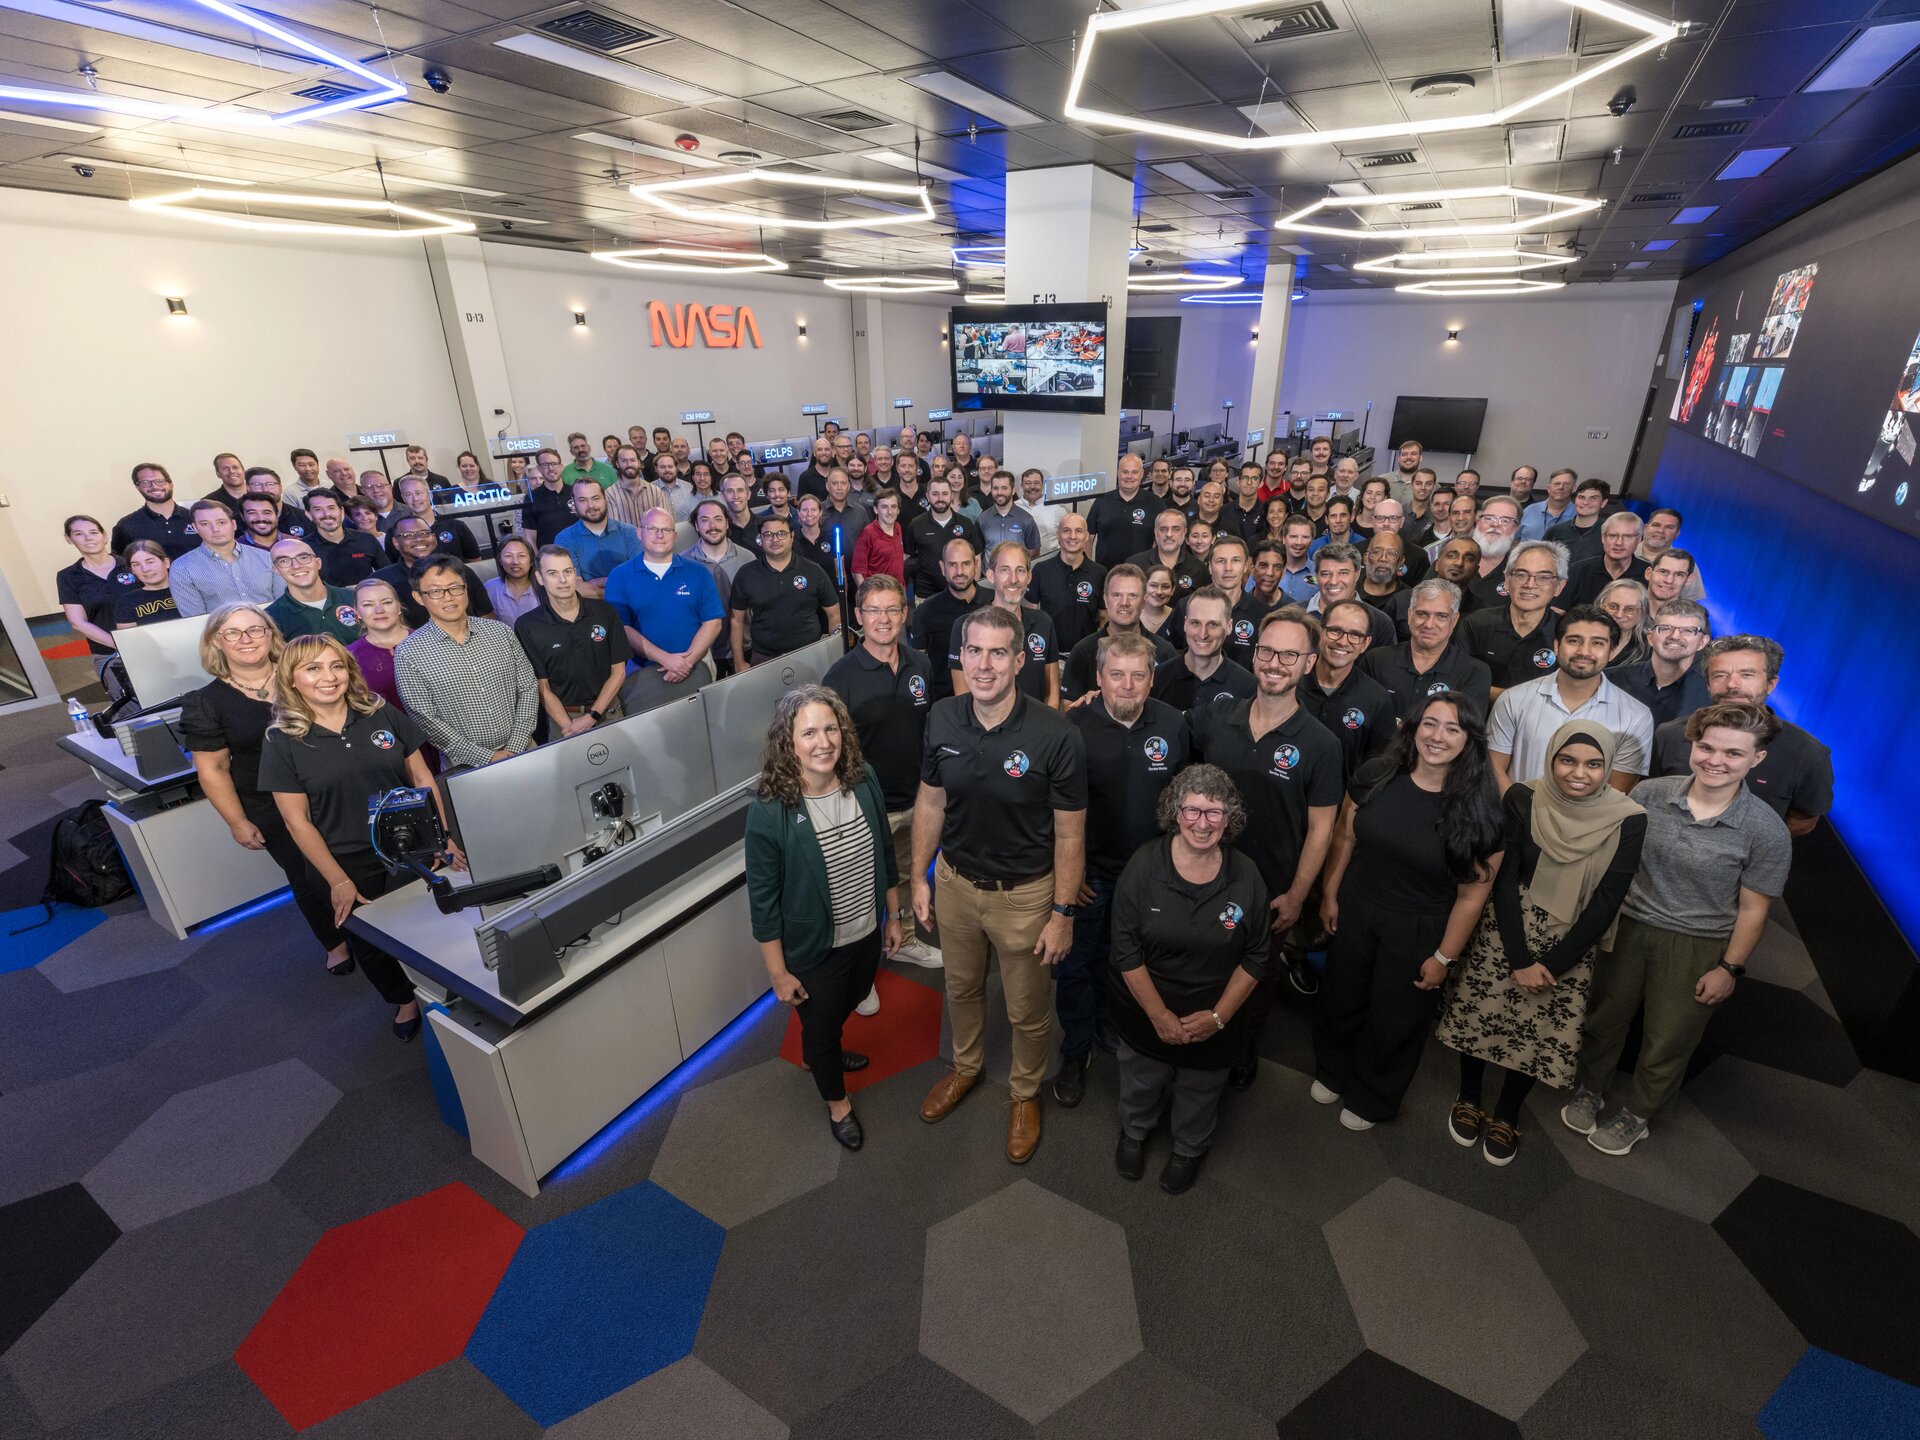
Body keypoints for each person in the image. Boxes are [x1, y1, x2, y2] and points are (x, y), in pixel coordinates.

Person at [1568, 702, 1792, 1155]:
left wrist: (1730, 968)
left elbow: (1753, 910)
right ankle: (1591, 1088)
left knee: (1669, 1037)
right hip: (1628, 926)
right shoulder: (1650, 794)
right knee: (1604, 1016)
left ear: (1757, 758)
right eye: (1706, 747)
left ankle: (1639, 1114)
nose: (1715, 760)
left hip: (1697, 943)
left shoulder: (1766, 831)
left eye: (1733, 753)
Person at [914, 605, 1087, 1163]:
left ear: (1019, 660)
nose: (983, 665)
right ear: (961, 656)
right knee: (961, 989)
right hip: (955, 883)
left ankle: (1025, 1093)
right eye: (973, 651)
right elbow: (930, 801)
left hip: (1026, 896)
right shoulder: (942, 716)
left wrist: (1062, 913)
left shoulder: (1056, 733)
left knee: (1027, 1010)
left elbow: (1070, 834)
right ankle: (965, 1068)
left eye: (996, 653)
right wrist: (919, 876)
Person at [1436, 722, 1647, 1165]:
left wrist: (1552, 964)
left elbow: (1609, 899)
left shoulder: (1629, 817)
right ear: (1552, 758)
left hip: (1571, 938)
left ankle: (1508, 1112)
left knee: (1537, 1031)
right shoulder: (1523, 797)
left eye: (1593, 764)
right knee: (1482, 1013)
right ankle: (1469, 1096)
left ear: (1608, 767)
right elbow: (1504, 874)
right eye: (1567, 760)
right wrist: (1518, 956)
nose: (1578, 773)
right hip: (1507, 924)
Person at [1313, 692, 1505, 1129]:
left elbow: (1472, 897)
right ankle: (1332, 1070)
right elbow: (1345, 834)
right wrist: (1329, 893)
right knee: (1340, 997)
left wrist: (1444, 958)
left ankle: (1372, 1096)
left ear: (1470, 739)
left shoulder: (1482, 811)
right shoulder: (1377, 774)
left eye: (1453, 728)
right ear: (1412, 728)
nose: (1438, 736)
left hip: (1420, 925)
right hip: (1357, 906)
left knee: (1394, 1018)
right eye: (1430, 724)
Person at [261, 635, 463, 1042]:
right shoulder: (281, 740)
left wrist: (441, 837)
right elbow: (297, 822)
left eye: (336, 665)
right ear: (292, 679)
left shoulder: (378, 711)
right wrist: (337, 880)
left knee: (430, 925)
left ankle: (451, 996)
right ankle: (404, 1000)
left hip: (410, 845)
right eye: (313, 668)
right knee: (371, 943)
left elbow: (422, 777)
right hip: (345, 860)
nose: (328, 676)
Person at [1188, 609, 1342, 1085]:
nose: (1275, 663)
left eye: (1289, 655)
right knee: (1198, 968)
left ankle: (1243, 1051)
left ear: (1309, 663)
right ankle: (1195, 1044)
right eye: (1267, 651)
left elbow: (1322, 830)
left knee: (1255, 978)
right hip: (1201, 877)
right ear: (1254, 655)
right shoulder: (1217, 716)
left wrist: (1297, 895)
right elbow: (1164, 730)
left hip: (1269, 891)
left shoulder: (1322, 744)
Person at [747, 685, 902, 1148]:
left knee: (845, 1003)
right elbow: (763, 902)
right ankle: (837, 1101)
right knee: (820, 1025)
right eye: (809, 732)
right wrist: (778, 974)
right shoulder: (770, 810)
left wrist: (894, 916)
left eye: (831, 729)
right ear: (788, 742)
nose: (824, 742)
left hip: (865, 931)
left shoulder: (863, 778)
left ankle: (822, 1049)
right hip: (814, 948)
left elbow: (885, 851)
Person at [1108, 763, 1269, 1192]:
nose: (1202, 823)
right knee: (1141, 1079)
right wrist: (1159, 1016)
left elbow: (1257, 956)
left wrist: (1217, 1018)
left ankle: (1189, 1148)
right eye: (1192, 810)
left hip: (1214, 1016)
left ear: (1229, 819)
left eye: (1214, 812)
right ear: (1175, 813)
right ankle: (1134, 1131)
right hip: (1146, 1010)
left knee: (1201, 1089)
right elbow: (1125, 951)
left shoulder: (1247, 876)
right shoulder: (1143, 867)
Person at [1056, 633, 1190, 1107]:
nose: (1127, 685)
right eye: (1116, 675)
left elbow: (1184, 801)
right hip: (1088, 875)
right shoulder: (1073, 727)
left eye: (1137, 675)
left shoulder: (1173, 724)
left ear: (1152, 679)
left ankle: (1111, 1025)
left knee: (1127, 961)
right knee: (1077, 964)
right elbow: (1053, 809)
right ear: (1099, 678)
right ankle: (1075, 1048)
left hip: (1149, 876)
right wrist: (1069, 875)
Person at [181, 606, 347, 975]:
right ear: (216, 641)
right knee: (306, 875)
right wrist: (237, 821)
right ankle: (335, 942)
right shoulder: (206, 702)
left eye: (255, 629)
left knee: (353, 861)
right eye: (233, 632)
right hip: (268, 803)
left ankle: (374, 932)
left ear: (271, 634)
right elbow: (212, 769)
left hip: (331, 788)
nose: (246, 639)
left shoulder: (303, 674)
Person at [825, 576, 941, 970]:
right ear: (858, 616)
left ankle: (904, 940)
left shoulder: (920, 664)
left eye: (892, 609)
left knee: (907, 875)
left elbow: (929, 728)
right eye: (873, 610)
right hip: (867, 805)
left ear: (905, 613)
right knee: (860, 888)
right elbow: (833, 751)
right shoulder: (840, 677)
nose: (884, 619)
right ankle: (857, 971)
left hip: (917, 799)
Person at [1647, 635, 1833, 834]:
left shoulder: (1807, 752)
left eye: (1747, 675)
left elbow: (1804, 820)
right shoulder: (1670, 735)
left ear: (1771, 684)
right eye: (1720, 675)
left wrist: (1744, 843)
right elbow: (1653, 798)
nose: (1732, 685)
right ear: (1708, 684)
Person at [394, 556, 539, 769]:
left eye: (455, 588)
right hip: (464, 764)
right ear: (418, 597)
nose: (448, 598)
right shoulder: (409, 652)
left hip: (524, 749)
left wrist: (515, 745)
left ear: (466, 589)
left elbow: (527, 687)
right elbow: (425, 718)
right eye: (435, 591)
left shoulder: (500, 632)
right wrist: (487, 757)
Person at [1489, 606, 1654, 793]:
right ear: (1556, 646)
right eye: (1574, 641)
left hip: (1594, 814)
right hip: (1517, 810)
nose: (1584, 651)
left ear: (1611, 652)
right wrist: (1518, 809)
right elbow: (1495, 769)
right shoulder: (1513, 699)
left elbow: (1617, 793)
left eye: (1597, 643)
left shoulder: (1636, 716)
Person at [605, 507, 724, 710]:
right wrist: (666, 659)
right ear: (639, 532)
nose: (659, 535)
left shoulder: (698, 573)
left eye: (666, 530)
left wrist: (686, 663)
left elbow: (713, 622)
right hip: (643, 673)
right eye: (652, 529)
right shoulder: (619, 576)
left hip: (697, 666)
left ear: (675, 536)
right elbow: (621, 628)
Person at [516, 545, 630, 737]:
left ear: (575, 574)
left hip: (608, 712)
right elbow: (541, 686)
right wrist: (569, 727)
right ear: (539, 578)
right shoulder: (527, 625)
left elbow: (618, 671)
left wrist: (592, 716)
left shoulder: (605, 612)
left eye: (567, 571)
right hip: (563, 721)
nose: (562, 580)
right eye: (553, 573)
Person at [1358, 577, 1493, 722]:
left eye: (1441, 616)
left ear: (1454, 620)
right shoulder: (1375, 660)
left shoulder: (1474, 672)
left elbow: (1466, 729)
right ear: (1409, 615)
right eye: (1422, 614)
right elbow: (1360, 717)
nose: (1429, 624)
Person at [345, 576, 437, 774]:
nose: (379, 610)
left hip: (440, 741)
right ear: (357, 612)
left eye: (386, 602)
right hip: (390, 748)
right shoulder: (348, 657)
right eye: (368, 605)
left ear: (399, 606)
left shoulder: (431, 642)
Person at [952, 542, 1059, 707]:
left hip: (1036, 722)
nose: (1013, 579)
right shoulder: (966, 626)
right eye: (1005, 570)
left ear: (1029, 577)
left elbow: (1052, 693)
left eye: (1020, 570)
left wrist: (1046, 723)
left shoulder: (1044, 623)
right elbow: (963, 697)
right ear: (990, 575)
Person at [728, 512, 839, 668]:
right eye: (768, 535)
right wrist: (738, 662)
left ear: (792, 537)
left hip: (811, 653)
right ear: (760, 540)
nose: (775, 539)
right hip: (764, 657)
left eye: (781, 534)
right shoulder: (746, 574)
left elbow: (834, 614)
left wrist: (834, 652)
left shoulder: (813, 570)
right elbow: (736, 620)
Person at [1461, 539, 1566, 696]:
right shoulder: (1476, 624)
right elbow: (1462, 682)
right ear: (1507, 580)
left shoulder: (1567, 632)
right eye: (1521, 575)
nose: (1530, 584)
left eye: (1543, 577)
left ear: (1558, 586)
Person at [1063, 564, 1176, 703]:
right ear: (1105, 599)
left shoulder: (1165, 652)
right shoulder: (1083, 651)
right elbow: (1068, 707)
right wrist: (1095, 704)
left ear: (1144, 601)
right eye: (1117, 595)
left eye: (1132, 595)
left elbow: (1173, 708)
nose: (1124, 602)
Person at [373, 516, 493, 629]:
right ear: (395, 542)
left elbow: (486, 614)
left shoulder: (461, 570)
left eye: (424, 533)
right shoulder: (382, 581)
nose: (419, 539)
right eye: (408, 535)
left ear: (434, 538)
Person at [169, 499, 285, 617]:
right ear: (195, 528)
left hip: (271, 625)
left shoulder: (267, 558)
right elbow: (194, 619)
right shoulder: (182, 568)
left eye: (222, 522)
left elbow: (283, 604)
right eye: (204, 524)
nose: (215, 529)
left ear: (233, 524)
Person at [1608, 599, 1711, 727]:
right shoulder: (1610, 680)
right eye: (1665, 628)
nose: (1675, 636)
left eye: (1689, 630)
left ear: (1702, 642)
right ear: (1650, 637)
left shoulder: (1711, 693)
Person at [1153, 585, 1255, 713]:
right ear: (1185, 624)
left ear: (1229, 627)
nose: (1202, 634)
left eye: (1213, 624)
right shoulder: (1157, 678)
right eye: (1195, 623)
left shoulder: (1247, 686)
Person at [907, 536, 980, 702]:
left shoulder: (994, 603)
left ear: (976, 565)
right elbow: (917, 666)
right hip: (943, 704)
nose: (959, 571)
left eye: (966, 564)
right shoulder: (925, 611)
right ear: (942, 567)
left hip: (992, 702)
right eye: (952, 564)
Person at [1030, 512, 1107, 655]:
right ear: (1058, 535)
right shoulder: (1041, 570)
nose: (1072, 536)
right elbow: (1031, 617)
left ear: (1086, 536)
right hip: (1050, 656)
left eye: (1079, 531)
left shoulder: (1100, 573)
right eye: (1066, 530)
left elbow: (1104, 617)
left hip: (1087, 657)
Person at [553, 477, 642, 599]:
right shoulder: (564, 539)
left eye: (595, 498)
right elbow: (575, 587)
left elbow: (640, 579)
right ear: (573, 503)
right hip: (589, 608)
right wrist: (621, 585)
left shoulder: (630, 533)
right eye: (582, 500)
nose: (591, 505)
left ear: (605, 498)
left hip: (631, 605)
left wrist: (593, 583)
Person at [56, 514, 130, 657]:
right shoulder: (67, 576)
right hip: (108, 651)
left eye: (93, 532)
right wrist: (120, 646)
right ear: (69, 539)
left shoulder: (131, 565)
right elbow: (78, 622)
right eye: (79, 534)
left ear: (105, 536)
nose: (88, 538)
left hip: (148, 641)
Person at [264, 539, 361, 643]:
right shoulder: (270, 619)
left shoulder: (355, 598)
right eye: (284, 561)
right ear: (276, 570)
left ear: (318, 563)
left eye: (303, 557)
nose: (296, 566)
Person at [905, 477, 983, 600]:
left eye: (945, 494)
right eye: (935, 494)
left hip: (961, 593)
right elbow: (906, 557)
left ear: (951, 495)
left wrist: (973, 588)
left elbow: (976, 556)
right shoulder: (916, 524)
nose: (940, 498)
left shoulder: (966, 523)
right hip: (926, 595)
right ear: (928, 496)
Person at [1306, 543, 1395, 649]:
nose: (1333, 581)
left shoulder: (1381, 623)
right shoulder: (1294, 615)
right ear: (1317, 576)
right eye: (1325, 574)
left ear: (1357, 575)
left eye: (1343, 573)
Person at [1558, 512, 1647, 611]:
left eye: (1627, 537)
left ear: (1639, 539)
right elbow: (1557, 611)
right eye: (1613, 536)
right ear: (1603, 537)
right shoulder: (1578, 570)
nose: (1619, 542)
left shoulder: (1650, 575)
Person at [1087, 454, 1163, 566]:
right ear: (1118, 472)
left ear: (1142, 473)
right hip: (1106, 572)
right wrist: (1088, 568)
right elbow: (1088, 538)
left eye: (1134, 472)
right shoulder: (1101, 502)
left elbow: (1161, 541)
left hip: (1142, 572)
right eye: (1125, 472)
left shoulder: (1156, 503)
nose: (1129, 476)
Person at [113, 462, 200, 557]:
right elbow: (121, 562)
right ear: (138, 488)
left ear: (171, 484)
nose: (154, 486)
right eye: (145, 483)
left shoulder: (195, 518)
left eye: (160, 481)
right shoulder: (126, 526)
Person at [386, 476, 480, 565]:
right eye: (408, 494)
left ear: (430, 494)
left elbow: (475, 562)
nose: (415, 499)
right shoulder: (395, 534)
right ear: (403, 498)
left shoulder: (456, 526)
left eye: (418, 493)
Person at [304, 489, 383, 586]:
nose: (327, 514)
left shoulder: (366, 540)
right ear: (309, 515)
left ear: (341, 511)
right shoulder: (304, 548)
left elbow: (387, 574)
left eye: (331, 508)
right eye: (318, 509)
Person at [1129, 508, 1205, 598]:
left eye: (1176, 529)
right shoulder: (1135, 565)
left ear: (1184, 532)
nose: (1169, 534)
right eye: (1163, 529)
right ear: (1155, 532)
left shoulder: (1199, 569)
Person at [111, 541, 178, 628]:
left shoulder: (188, 590)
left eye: (150, 562)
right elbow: (128, 635)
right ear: (132, 570)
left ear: (166, 562)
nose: (145, 569)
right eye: (136, 565)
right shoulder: (126, 602)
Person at [604, 445, 669, 532]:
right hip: (626, 541)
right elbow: (614, 530)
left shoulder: (656, 492)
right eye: (624, 461)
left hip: (653, 539)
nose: (629, 464)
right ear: (617, 464)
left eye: (633, 460)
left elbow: (665, 524)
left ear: (639, 462)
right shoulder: (610, 494)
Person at [851, 488, 907, 589]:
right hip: (877, 594)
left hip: (898, 592)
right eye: (884, 507)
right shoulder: (867, 534)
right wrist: (866, 595)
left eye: (893, 506)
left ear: (898, 510)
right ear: (876, 509)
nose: (890, 512)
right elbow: (857, 571)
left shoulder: (898, 527)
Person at [1545, 478, 1610, 564]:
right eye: (1581, 497)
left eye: (1593, 498)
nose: (1586, 502)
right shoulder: (1555, 531)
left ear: (1603, 503)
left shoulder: (1610, 534)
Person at [977, 468, 1039, 554]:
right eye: (995, 488)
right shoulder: (982, 519)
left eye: (1004, 488)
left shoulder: (1027, 519)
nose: (999, 492)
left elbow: (1034, 553)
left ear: (1013, 491)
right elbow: (977, 553)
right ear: (991, 490)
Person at [484, 536, 542, 627]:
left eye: (521, 556)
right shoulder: (490, 587)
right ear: (500, 561)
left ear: (531, 561)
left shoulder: (544, 586)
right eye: (508, 556)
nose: (515, 562)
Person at [520, 448, 574, 547]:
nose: (551, 468)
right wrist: (538, 557)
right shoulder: (531, 498)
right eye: (545, 465)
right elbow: (530, 538)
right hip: (549, 555)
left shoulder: (575, 492)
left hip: (580, 553)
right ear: (539, 468)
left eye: (554, 463)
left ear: (561, 467)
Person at [1592, 580, 1650, 666]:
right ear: (1601, 605)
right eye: (1613, 606)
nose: (1619, 615)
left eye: (1630, 609)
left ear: (1642, 612)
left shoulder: (1648, 651)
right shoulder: (1581, 636)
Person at [1520, 468, 1577, 540]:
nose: (1561, 487)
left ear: (1574, 488)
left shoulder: (1578, 514)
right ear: (1549, 488)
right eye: (1556, 484)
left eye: (1566, 484)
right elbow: (1514, 540)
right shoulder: (1529, 510)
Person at [1018, 468, 1065, 552]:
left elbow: (1066, 538)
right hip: (1018, 559)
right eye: (1028, 483)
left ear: (1043, 485)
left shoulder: (1057, 510)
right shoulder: (1012, 508)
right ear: (1022, 486)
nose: (1032, 487)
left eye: (1036, 483)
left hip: (1050, 559)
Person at [1139, 565, 1180, 648]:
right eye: (1153, 585)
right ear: (1143, 587)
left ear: (1173, 590)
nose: (1159, 592)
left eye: (1165, 587)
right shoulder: (1131, 615)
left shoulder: (1178, 618)